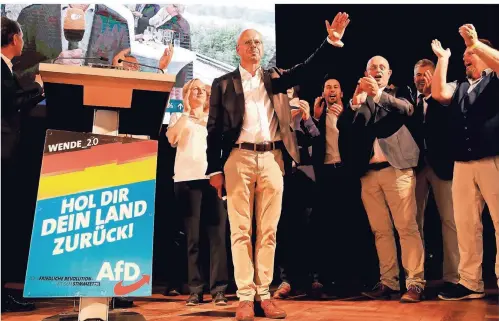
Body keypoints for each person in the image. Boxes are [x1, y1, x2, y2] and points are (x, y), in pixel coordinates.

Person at [206, 12, 351, 321]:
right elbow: (213, 129)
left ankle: (264, 294)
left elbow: (308, 67)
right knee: (241, 231)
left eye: (258, 42)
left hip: (273, 159)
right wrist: (213, 169)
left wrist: (331, 41)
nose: (254, 47)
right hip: (237, 158)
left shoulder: (275, 77)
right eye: (248, 43)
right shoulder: (223, 83)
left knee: (269, 231)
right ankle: (245, 297)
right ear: (238, 49)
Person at [430, 25, 499, 301]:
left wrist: (475, 43)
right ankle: (470, 282)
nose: (465, 58)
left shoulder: (494, 79)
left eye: (469, 55)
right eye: (464, 56)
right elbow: (438, 93)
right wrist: (443, 60)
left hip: (493, 160)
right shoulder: (459, 86)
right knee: (466, 223)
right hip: (462, 164)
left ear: (483, 55)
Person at [350, 56, 426, 303]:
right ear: (366, 71)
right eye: (373, 67)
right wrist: (355, 105)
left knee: (406, 227)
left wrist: (378, 95)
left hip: (397, 169)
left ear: (390, 73)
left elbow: (407, 109)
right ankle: (388, 282)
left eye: (382, 67)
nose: (378, 70)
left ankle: (415, 282)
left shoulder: (399, 91)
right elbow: (352, 132)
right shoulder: (360, 97)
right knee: (380, 231)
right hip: (369, 174)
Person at [166, 79, 229, 306]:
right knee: (193, 239)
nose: (199, 92)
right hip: (186, 181)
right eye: (195, 89)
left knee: (218, 237)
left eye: (203, 90)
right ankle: (195, 289)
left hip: (213, 180)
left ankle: (219, 290)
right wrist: (188, 114)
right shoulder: (178, 117)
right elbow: (172, 138)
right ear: (186, 94)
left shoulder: (214, 120)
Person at [404, 59, 459, 292]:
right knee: (414, 224)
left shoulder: (444, 99)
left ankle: (454, 278)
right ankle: (416, 280)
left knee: (450, 221)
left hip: (442, 166)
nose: (421, 78)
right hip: (415, 168)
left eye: (427, 74)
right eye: (418, 74)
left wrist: (432, 92)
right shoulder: (408, 102)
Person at [1, 16, 44, 312]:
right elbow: (8, 100)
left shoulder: (8, 69)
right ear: (15, 39)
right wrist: (37, 87)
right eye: (22, 38)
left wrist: (37, 91)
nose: (24, 43)